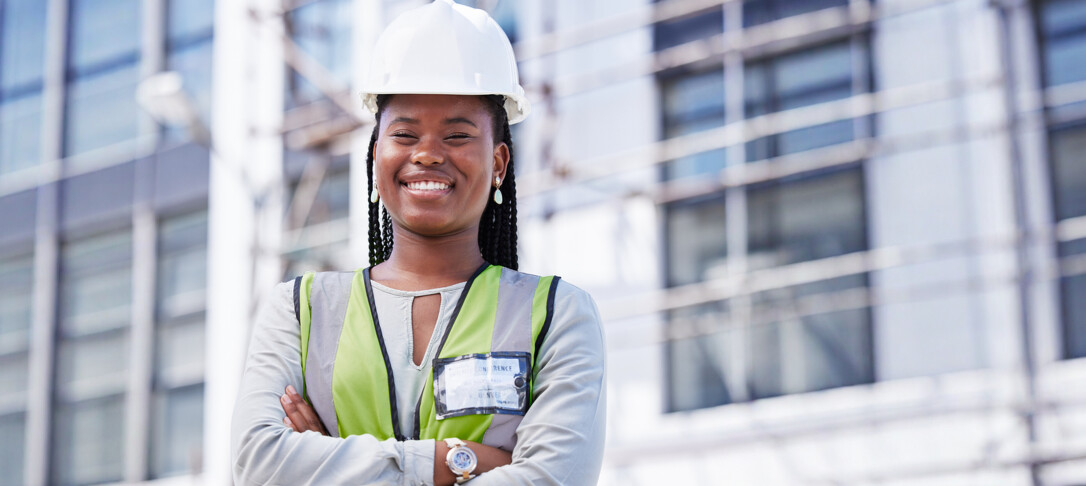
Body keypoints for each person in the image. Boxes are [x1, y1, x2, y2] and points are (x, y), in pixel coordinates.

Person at [229, 1, 607, 484]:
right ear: (376, 154)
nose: (427, 154)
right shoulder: (298, 311)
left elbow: (554, 479)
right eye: (405, 133)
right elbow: (258, 464)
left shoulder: (557, 315)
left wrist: (328, 461)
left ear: (499, 163)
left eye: (457, 135)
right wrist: (458, 461)